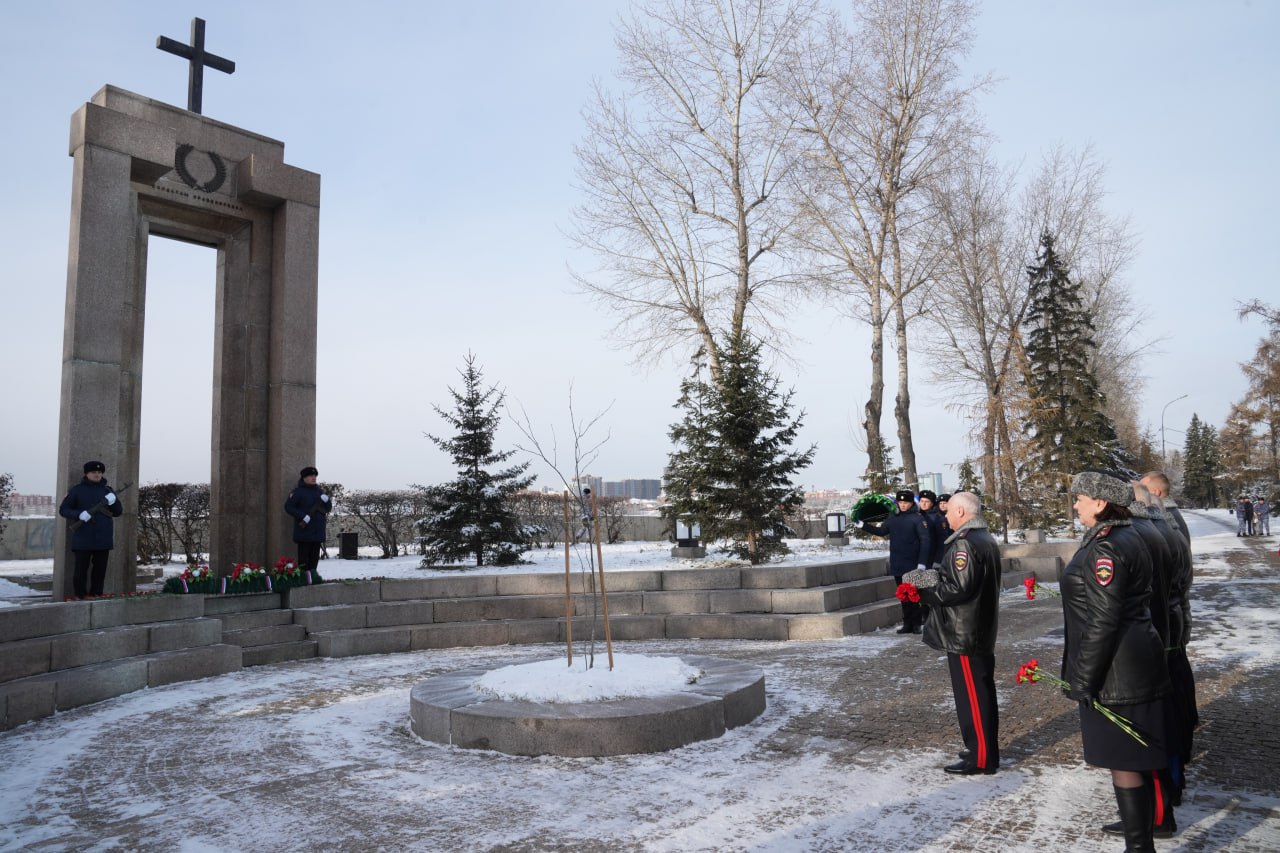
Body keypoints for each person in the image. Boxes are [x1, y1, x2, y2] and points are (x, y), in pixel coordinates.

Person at [1064, 469, 1173, 852]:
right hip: (1133, 658)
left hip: (1117, 670)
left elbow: (1104, 620)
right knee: (1133, 759)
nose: (1075, 504)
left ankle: (1139, 847)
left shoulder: (1107, 546)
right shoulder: (1126, 535)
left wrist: (1084, 678)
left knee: (1125, 762)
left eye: (1079, 498)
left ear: (1100, 503)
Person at [908, 491, 1001, 775]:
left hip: (965, 630)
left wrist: (920, 590)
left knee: (973, 697)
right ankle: (979, 746)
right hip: (973, 628)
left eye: (949, 511)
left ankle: (982, 757)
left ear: (961, 512)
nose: (945, 515)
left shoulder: (966, 544)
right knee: (977, 694)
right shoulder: (981, 538)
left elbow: (957, 589)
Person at [858, 489, 932, 634]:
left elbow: (925, 541)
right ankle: (907, 624)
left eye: (906, 502)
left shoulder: (918, 519)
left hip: (913, 563)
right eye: (900, 502)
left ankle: (916, 623)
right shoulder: (893, 517)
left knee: (914, 595)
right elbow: (882, 532)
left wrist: (922, 563)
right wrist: (863, 526)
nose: (903, 505)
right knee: (903, 595)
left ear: (911, 503)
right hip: (898, 562)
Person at [58, 460, 124, 597]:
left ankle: (96, 596)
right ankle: (80, 597)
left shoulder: (108, 491)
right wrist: (79, 514)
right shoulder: (76, 490)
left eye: (99, 472)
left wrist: (114, 501)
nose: (97, 475)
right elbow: (63, 510)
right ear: (86, 473)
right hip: (83, 538)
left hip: (103, 538)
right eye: (94, 472)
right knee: (80, 572)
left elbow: (118, 512)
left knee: (100, 572)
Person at [284, 466, 330, 576]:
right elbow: (288, 507)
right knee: (304, 563)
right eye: (310, 476)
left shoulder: (319, 491)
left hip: (317, 533)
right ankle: (303, 582)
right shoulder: (298, 492)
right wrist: (303, 516)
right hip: (304, 533)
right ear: (304, 478)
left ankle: (312, 579)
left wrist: (327, 501)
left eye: (315, 476)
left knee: (314, 561)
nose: (313, 478)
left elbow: (328, 509)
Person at [1139, 472, 1189, 543]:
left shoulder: (1160, 518)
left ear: (1156, 493)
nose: (1137, 494)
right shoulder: (1171, 512)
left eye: (1142, 490)